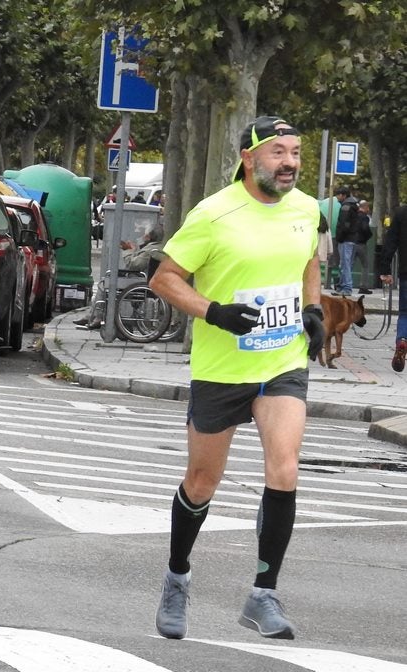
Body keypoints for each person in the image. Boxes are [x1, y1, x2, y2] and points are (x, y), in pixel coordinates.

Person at [149, 116, 323, 641]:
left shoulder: (308, 209)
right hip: (222, 369)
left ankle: (262, 595)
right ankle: (177, 577)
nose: (290, 162)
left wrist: (313, 310)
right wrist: (214, 312)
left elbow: (309, 259)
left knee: (285, 469)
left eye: (295, 152)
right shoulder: (214, 214)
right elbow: (164, 279)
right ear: (249, 158)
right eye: (278, 152)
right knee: (202, 482)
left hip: (282, 361)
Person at [74, 227, 165, 330]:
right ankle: (94, 316)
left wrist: (128, 251)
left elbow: (133, 265)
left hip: (138, 281)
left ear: (149, 237)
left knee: (105, 283)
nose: (142, 236)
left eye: (145, 234)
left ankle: (95, 316)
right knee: (106, 281)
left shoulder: (150, 249)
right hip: (140, 280)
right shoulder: (154, 247)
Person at [376, 205, 407, 372]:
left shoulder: (402, 213)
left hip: (406, 273)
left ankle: (402, 340)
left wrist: (385, 269)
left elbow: (390, 242)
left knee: (404, 313)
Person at [334, 193, 370, 296]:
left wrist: (339, 237)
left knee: (346, 264)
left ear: (343, 195)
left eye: (338, 195)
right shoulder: (355, 210)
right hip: (355, 240)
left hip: (347, 240)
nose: (337, 198)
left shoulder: (346, 208)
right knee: (348, 264)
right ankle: (342, 286)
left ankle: (346, 287)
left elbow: (343, 224)